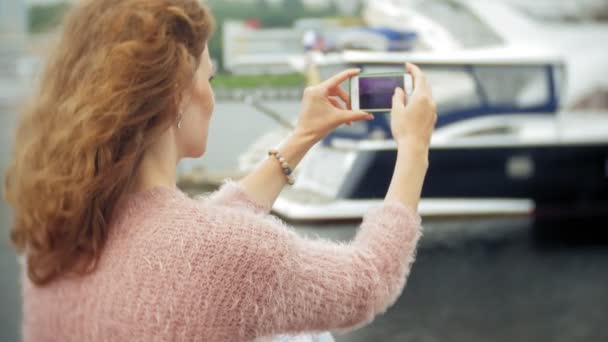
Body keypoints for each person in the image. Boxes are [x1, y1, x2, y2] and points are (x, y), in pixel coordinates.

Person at [3, 0, 437, 341]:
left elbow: (195, 246)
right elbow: (370, 278)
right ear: (176, 96)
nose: (210, 96)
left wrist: (302, 137)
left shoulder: (52, 245)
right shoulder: (227, 256)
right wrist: (414, 148)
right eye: (208, 80)